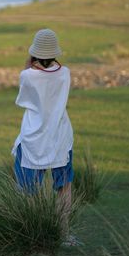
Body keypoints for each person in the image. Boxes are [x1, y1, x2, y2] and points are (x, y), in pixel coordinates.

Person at [12, 28, 78, 244]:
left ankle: (32, 231)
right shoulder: (65, 73)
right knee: (64, 185)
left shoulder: (27, 75)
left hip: (34, 138)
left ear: (34, 53)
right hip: (60, 135)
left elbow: (23, 100)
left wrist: (28, 63)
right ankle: (63, 232)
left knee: (28, 188)